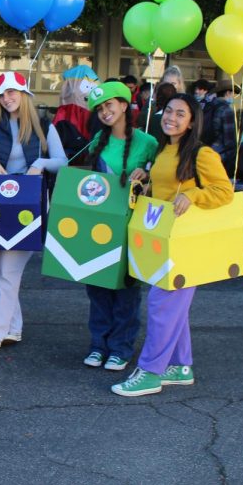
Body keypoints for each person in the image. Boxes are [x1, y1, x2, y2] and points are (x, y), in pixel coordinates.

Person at [111, 93, 233, 397]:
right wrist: (145, 181)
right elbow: (166, 189)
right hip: (164, 236)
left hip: (185, 240)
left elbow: (224, 191)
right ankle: (180, 365)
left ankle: (151, 371)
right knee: (172, 305)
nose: (172, 118)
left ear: (192, 123)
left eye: (181, 114)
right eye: (169, 111)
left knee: (162, 303)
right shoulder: (166, 149)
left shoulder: (202, 154)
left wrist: (193, 196)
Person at [0, 72, 67, 349]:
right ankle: (13, 327)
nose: (7, 98)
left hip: (30, 205)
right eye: (2, 94)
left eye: (12, 92)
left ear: (24, 94)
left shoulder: (44, 125)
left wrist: (41, 163)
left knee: (9, 271)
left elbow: (62, 160)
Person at [77, 81, 156, 371]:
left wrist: (146, 176)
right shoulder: (98, 140)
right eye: (99, 109)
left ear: (124, 105)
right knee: (97, 290)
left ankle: (120, 348)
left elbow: (160, 182)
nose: (104, 112)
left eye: (109, 105)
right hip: (98, 228)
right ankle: (98, 345)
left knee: (125, 293)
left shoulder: (147, 143)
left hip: (131, 229)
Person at [205, 80, 237, 174]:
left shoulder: (208, 107)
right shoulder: (226, 110)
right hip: (220, 155)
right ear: (228, 92)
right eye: (233, 93)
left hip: (206, 150)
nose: (233, 96)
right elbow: (230, 140)